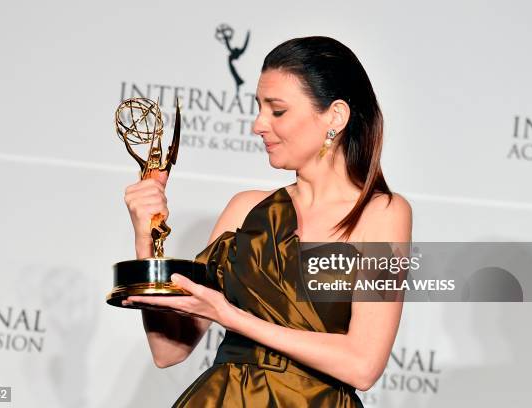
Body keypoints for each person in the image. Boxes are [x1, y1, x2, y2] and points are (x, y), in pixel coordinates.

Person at [121, 36, 412, 407]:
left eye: (277, 111)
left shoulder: (383, 213)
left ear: (335, 117)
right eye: (258, 108)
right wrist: (148, 236)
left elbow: (363, 365)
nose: (258, 125)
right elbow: (167, 351)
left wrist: (232, 317)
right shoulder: (245, 209)